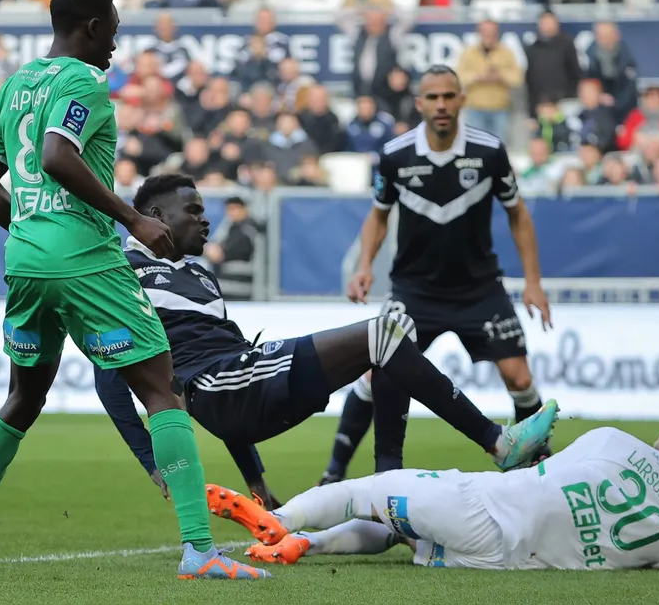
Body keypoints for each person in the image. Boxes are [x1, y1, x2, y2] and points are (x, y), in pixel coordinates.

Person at [0, 0, 271, 582]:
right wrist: (133, 218)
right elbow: (59, 156)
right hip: (86, 258)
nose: (115, 42)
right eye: (112, 29)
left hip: (25, 262)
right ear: (89, 26)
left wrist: (34, 232)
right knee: (162, 390)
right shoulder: (83, 81)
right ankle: (199, 551)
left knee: (22, 400)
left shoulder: (15, 84)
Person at [93, 174, 559, 509]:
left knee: (389, 346)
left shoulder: (199, 275)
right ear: (154, 216)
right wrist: (151, 461)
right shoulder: (123, 273)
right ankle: (497, 443)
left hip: (239, 385)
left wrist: (255, 482)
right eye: (193, 211)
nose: (205, 220)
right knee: (382, 334)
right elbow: (108, 373)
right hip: (216, 388)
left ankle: (387, 484)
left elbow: (234, 371)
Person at [320, 64, 553, 487]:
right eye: (433, 97)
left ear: (462, 99)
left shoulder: (489, 152)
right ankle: (333, 472)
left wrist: (533, 281)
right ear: (419, 103)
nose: (442, 105)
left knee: (518, 376)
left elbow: (518, 215)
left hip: (479, 287)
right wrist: (364, 267)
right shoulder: (395, 155)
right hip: (414, 289)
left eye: (449, 96)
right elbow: (378, 216)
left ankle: (540, 470)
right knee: (374, 376)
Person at [207, 410, 659, 571]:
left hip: (484, 507)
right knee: (399, 533)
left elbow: (546, 475)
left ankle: (279, 518)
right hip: (501, 563)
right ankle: (308, 544)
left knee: (372, 489)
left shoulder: (616, 441)